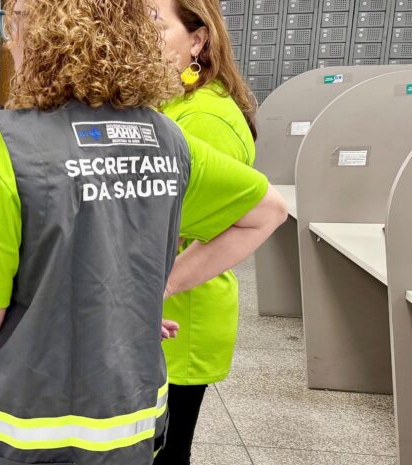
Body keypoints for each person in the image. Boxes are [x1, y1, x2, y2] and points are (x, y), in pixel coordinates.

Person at [0, 0, 288, 464]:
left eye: (12, 28)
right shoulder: (164, 139)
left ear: (41, 35)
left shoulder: (2, 153)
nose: (9, 43)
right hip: (128, 429)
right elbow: (266, 212)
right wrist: (157, 290)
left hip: (23, 436)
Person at [153, 0, 260, 463]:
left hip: (182, 315)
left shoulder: (204, 118)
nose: (139, 36)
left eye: (155, 25)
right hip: (166, 311)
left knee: (166, 452)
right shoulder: (176, 103)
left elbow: (217, 226)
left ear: (198, 40)